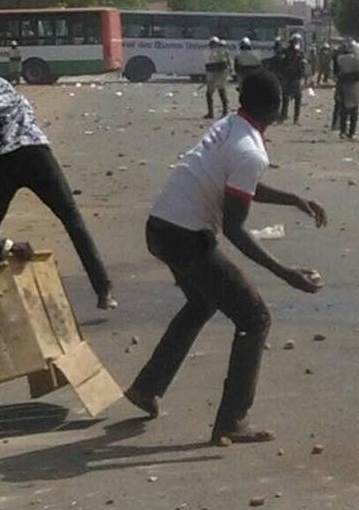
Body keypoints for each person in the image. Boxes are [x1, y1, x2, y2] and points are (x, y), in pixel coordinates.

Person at [125, 69, 327, 446]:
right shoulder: (251, 150)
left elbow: (238, 185)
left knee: (202, 303)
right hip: (187, 238)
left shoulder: (230, 126)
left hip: (160, 228)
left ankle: (146, 387)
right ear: (277, 109)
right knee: (255, 318)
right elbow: (234, 228)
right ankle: (232, 421)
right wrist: (286, 274)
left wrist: (292, 199)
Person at [0, 77, 116, 309]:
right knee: (72, 219)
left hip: (4, 160)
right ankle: (104, 290)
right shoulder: (3, 84)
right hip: (38, 153)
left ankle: (7, 248)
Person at [334, 38, 359, 139]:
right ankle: (351, 132)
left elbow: (337, 72)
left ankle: (343, 131)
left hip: (345, 85)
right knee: (353, 111)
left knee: (345, 109)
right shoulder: (358, 60)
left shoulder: (341, 58)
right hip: (353, 85)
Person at [280, 33, 307, 124]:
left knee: (297, 98)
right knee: (286, 97)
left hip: (296, 77)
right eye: (295, 41)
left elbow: (303, 66)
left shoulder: (300, 53)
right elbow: (282, 63)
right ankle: (283, 116)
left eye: (298, 41)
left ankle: (296, 118)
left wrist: (303, 75)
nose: (297, 43)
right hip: (288, 77)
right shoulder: (287, 52)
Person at [204, 36, 231, 119]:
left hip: (218, 75)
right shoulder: (219, 52)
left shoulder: (221, 52)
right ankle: (217, 112)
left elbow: (225, 65)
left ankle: (223, 112)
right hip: (214, 75)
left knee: (219, 92)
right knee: (215, 93)